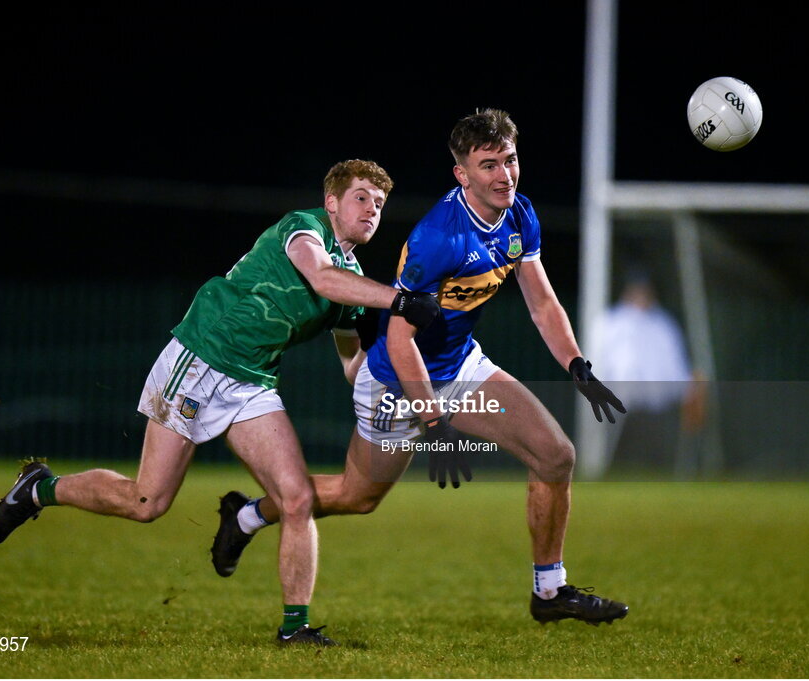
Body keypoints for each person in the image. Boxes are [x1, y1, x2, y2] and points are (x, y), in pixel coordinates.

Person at [0, 159, 441, 647]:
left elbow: (353, 365)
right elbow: (321, 278)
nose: (371, 209)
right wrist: (398, 299)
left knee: (297, 498)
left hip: (251, 384)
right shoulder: (303, 228)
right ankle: (39, 488)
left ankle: (295, 629)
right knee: (147, 502)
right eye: (361, 197)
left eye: (379, 203)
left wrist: (394, 386)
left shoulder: (354, 282)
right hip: (202, 357)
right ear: (331, 201)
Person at [211, 109, 630, 628]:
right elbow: (399, 337)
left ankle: (550, 590)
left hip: (461, 367)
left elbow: (541, 301)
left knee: (555, 456)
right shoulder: (439, 239)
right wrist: (433, 421)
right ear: (462, 174)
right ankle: (247, 516)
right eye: (488, 165)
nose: (504, 175)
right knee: (356, 496)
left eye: (510, 160)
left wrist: (577, 364)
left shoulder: (520, 214)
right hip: (396, 380)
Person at [591, 266, 707, 475]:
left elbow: (676, 366)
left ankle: (677, 470)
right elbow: (600, 361)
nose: (641, 295)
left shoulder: (664, 324)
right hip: (620, 399)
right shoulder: (610, 322)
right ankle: (607, 468)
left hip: (659, 403)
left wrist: (689, 387)